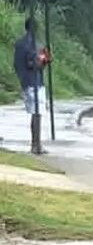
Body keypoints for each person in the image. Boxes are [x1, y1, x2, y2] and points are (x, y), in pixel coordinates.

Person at [12, 17, 48, 150]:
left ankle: (36, 143)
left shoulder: (21, 44)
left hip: (27, 81)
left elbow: (18, 64)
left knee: (36, 112)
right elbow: (32, 63)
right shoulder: (32, 44)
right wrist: (42, 60)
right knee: (37, 112)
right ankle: (36, 144)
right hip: (35, 81)